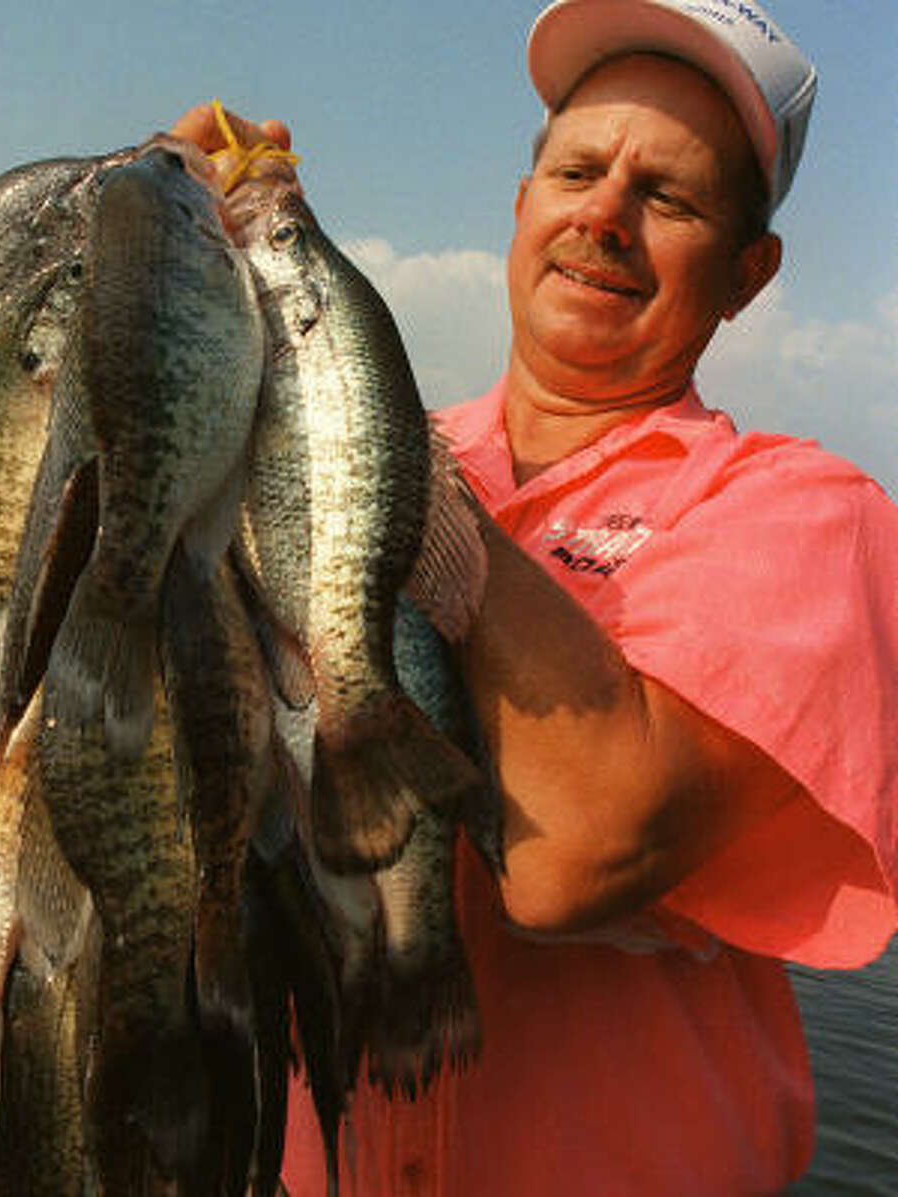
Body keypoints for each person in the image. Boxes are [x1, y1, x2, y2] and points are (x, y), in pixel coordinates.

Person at [174, 1, 898, 1192]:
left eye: (669, 199)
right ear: (523, 209)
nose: (604, 216)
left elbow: (576, 855)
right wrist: (163, 263)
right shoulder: (353, 451)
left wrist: (371, 443)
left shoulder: (805, 515)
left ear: (750, 273)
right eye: (576, 170)